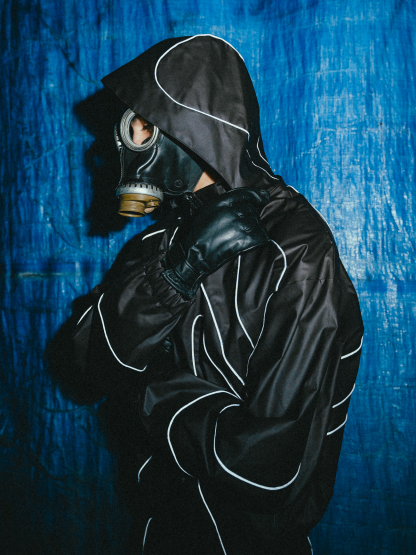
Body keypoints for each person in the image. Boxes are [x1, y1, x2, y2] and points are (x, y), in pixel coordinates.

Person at [71, 35, 364, 555]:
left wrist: (142, 390)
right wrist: (175, 274)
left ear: (190, 125)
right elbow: (84, 365)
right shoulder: (159, 246)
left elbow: (267, 469)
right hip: (158, 537)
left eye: (141, 126)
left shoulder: (297, 252)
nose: (125, 143)